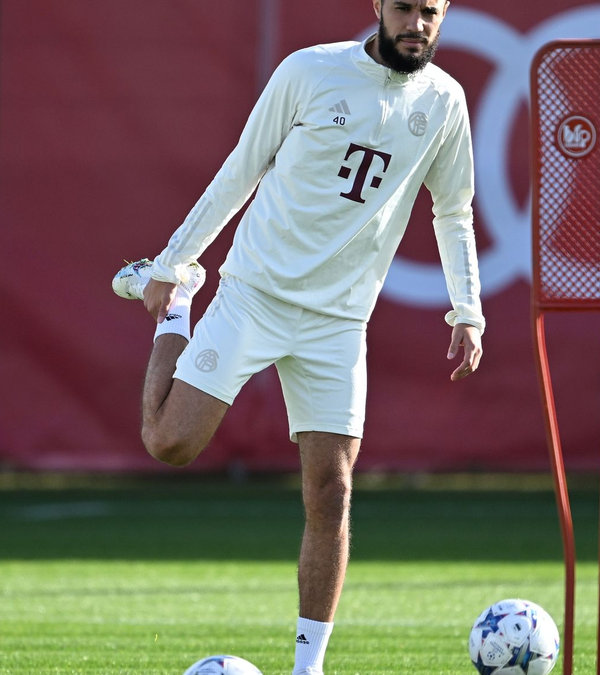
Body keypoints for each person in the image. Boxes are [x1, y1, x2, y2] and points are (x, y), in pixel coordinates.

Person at [111, 1, 482, 673]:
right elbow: (241, 170)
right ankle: (177, 309)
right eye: (403, 8)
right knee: (170, 443)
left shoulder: (445, 101)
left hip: (339, 321)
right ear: (377, 5)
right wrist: (172, 264)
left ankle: (308, 667)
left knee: (332, 491)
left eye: (430, 11)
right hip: (255, 292)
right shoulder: (309, 71)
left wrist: (468, 309)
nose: (416, 24)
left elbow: (452, 208)